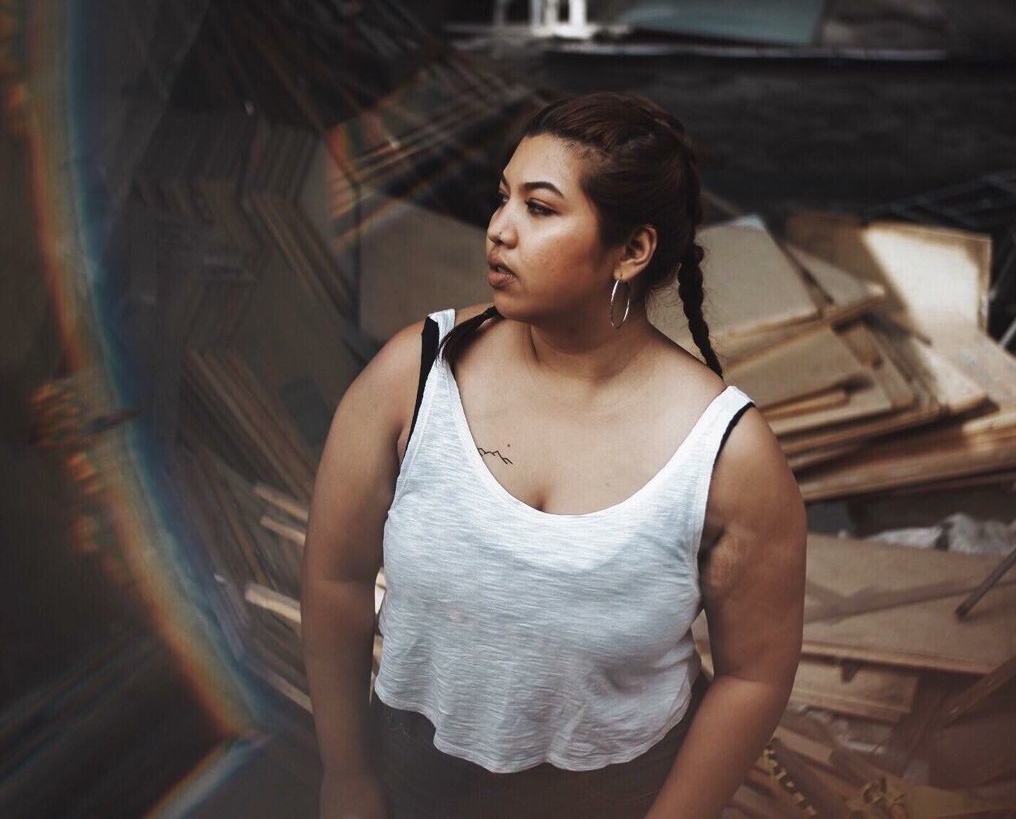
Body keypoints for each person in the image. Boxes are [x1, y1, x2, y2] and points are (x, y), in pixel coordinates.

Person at [301, 92, 806, 818]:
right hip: (413, 780)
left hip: (617, 795)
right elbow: (336, 578)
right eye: (502, 198)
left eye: (540, 209)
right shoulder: (412, 377)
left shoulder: (726, 456)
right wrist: (345, 775)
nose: (498, 230)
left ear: (632, 250)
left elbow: (754, 675)